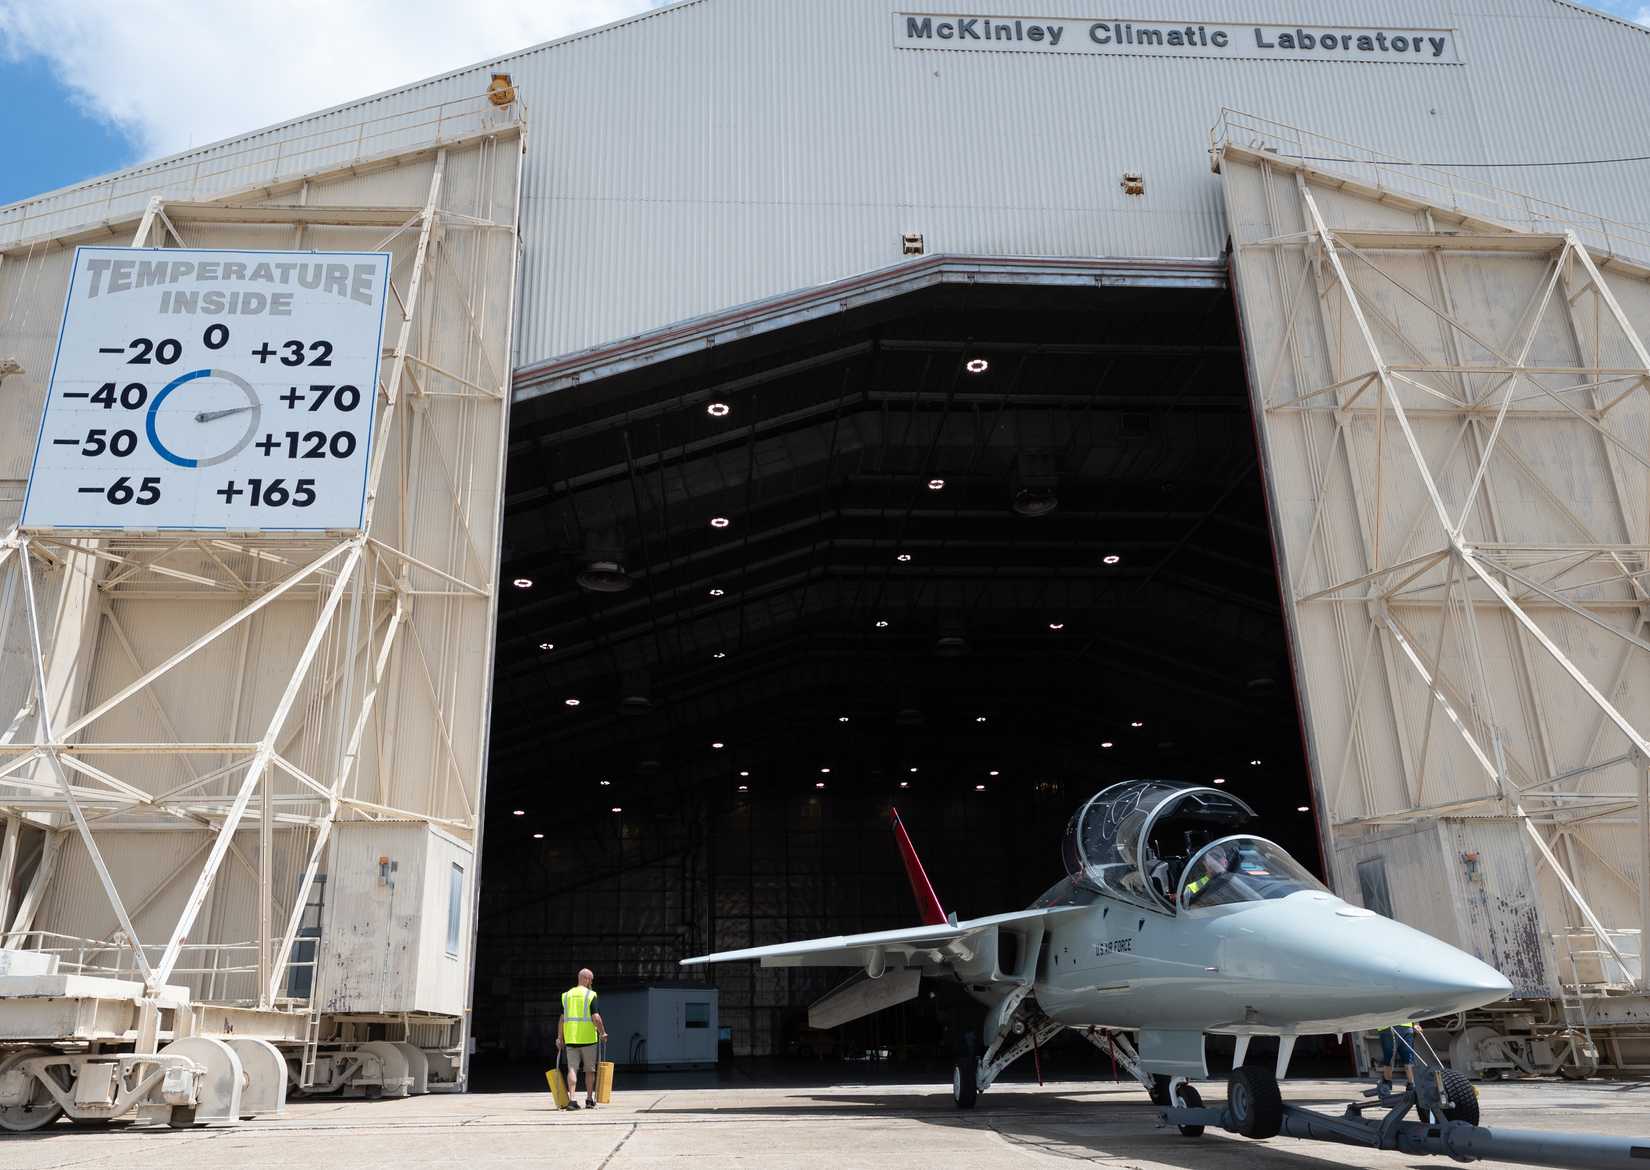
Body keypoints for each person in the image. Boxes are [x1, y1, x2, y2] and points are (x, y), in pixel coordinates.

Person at [557, 968, 608, 1110]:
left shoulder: (566, 995)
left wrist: (560, 1038)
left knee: (572, 1069)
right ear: (585, 979)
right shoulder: (591, 995)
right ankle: (589, 1099)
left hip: (571, 1039)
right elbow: (596, 1017)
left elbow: (562, 1019)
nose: (591, 983)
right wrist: (603, 1032)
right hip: (588, 1039)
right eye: (591, 980)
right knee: (589, 1070)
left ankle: (572, 1100)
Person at [1377, 1020, 1416, 1090]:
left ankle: (1412, 1084)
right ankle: (1387, 1083)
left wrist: (1416, 1023)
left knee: (1408, 1057)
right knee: (1389, 1056)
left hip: (1406, 1026)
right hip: (1387, 1027)